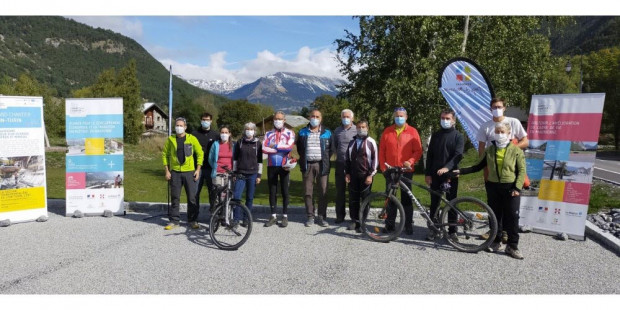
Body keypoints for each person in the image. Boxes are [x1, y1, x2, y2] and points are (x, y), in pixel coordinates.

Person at [455, 122, 526, 259]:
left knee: (512, 217)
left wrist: (517, 187)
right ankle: (496, 241)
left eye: (502, 131)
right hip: (493, 187)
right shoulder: (490, 150)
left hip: (510, 187)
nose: (499, 134)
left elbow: (522, 171)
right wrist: (461, 171)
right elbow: (478, 166)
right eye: (497, 131)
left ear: (508, 133)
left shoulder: (516, 150)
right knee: (494, 216)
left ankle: (512, 246)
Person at [476, 98, 528, 242]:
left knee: (509, 205)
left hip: (510, 171)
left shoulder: (514, 122)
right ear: (490, 109)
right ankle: (494, 231)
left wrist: (510, 151)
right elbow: (481, 147)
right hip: (492, 170)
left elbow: (525, 141)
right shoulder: (486, 126)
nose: (496, 109)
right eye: (494, 107)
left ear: (504, 108)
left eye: (499, 106)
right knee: (494, 204)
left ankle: (507, 233)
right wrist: (483, 165)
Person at [378, 107, 423, 235]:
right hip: (390, 170)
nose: (399, 118)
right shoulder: (387, 131)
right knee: (390, 198)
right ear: (394, 117)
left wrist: (411, 161)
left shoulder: (412, 131)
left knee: (406, 199)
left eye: (401, 116)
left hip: (406, 170)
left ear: (406, 117)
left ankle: (408, 224)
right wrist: (383, 168)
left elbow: (418, 150)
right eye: (397, 115)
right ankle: (390, 225)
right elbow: (381, 151)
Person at [424, 109, 464, 242]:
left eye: (447, 118)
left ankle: (452, 231)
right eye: (442, 118)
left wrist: (447, 167)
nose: (444, 121)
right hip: (435, 175)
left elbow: (458, 155)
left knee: (452, 203)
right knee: (434, 203)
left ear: (453, 120)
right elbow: (429, 156)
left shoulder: (458, 136)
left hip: (451, 175)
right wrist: (428, 174)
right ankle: (434, 228)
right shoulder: (436, 135)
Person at [162, 117, 203, 230]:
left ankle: (192, 220)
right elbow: (165, 155)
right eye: (177, 125)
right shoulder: (171, 139)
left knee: (192, 197)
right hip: (175, 172)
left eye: (181, 125)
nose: (178, 127)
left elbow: (200, 153)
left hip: (189, 172)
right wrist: (167, 170)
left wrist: (198, 169)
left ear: (185, 127)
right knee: (175, 197)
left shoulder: (192, 139)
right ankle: (174, 220)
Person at [297, 109, 333, 227]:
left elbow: (331, 150)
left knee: (323, 191)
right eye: (313, 116)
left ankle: (322, 217)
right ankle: (310, 216)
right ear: (309, 117)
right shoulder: (302, 132)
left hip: (322, 165)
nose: (315, 118)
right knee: (308, 192)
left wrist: (324, 160)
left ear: (321, 118)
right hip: (308, 165)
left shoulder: (327, 132)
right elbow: (299, 149)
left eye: (317, 116)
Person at [262, 111, 296, 227]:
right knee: (272, 191)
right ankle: (273, 216)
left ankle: (285, 216)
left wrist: (275, 146)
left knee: (285, 191)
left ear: (284, 120)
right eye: (276, 119)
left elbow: (289, 147)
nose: (277, 121)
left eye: (280, 119)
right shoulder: (268, 134)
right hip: (271, 165)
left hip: (284, 165)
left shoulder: (289, 133)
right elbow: (264, 148)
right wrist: (278, 149)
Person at [344, 120, 377, 233]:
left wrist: (371, 175)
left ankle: (363, 222)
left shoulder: (371, 142)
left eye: (363, 127)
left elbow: (375, 160)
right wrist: (347, 173)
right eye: (358, 127)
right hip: (353, 175)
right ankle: (354, 220)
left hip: (365, 176)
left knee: (365, 200)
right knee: (353, 199)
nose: (361, 129)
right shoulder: (352, 142)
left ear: (367, 128)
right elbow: (347, 159)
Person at [233, 122, 263, 227]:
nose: (249, 131)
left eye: (251, 129)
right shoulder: (240, 142)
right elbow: (235, 159)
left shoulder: (258, 143)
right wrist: (234, 173)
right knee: (237, 196)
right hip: (240, 173)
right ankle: (236, 219)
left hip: (253, 174)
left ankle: (246, 218)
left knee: (249, 198)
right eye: (247, 129)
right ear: (244, 130)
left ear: (254, 131)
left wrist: (259, 175)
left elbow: (260, 161)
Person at [333, 109, 357, 224]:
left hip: (353, 165)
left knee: (353, 192)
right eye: (343, 116)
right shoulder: (337, 131)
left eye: (348, 116)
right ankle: (340, 216)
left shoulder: (357, 130)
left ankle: (353, 217)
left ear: (352, 118)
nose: (345, 118)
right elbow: (335, 146)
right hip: (340, 163)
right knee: (340, 191)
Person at [192, 112, 220, 213]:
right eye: (203, 120)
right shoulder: (194, 134)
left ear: (211, 121)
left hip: (211, 169)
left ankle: (213, 215)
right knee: (195, 193)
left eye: (207, 120)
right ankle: (193, 217)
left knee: (213, 192)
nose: (205, 122)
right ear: (201, 120)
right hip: (197, 169)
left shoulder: (216, 135)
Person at [208, 126, 235, 190]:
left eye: (226, 132)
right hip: (218, 172)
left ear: (229, 134)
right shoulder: (215, 144)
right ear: (220, 134)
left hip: (229, 173)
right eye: (222, 132)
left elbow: (235, 159)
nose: (224, 134)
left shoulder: (233, 145)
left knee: (227, 193)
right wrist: (215, 166)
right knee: (218, 192)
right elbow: (210, 158)